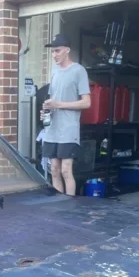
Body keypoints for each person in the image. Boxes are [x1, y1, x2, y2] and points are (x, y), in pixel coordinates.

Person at [40, 33, 91, 195]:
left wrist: (59, 105)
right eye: (53, 52)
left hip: (68, 129)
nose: (54, 55)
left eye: (57, 51)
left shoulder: (79, 70)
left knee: (66, 170)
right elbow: (53, 99)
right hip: (52, 129)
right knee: (54, 169)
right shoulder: (54, 72)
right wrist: (46, 110)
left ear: (67, 50)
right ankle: (58, 207)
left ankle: (69, 208)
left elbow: (86, 103)